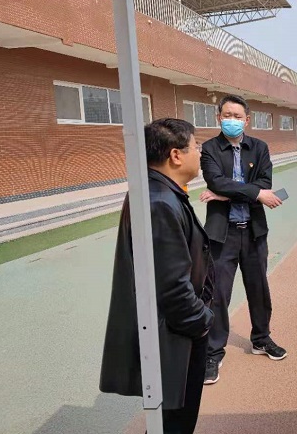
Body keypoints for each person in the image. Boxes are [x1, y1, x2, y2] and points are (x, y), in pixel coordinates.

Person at [100, 118, 215, 434]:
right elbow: (171, 287)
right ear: (176, 155)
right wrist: (203, 321)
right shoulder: (159, 203)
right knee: (174, 423)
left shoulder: (159, 193)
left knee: (169, 422)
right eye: (195, 146)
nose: (200, 153)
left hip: (176, 331)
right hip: (176, 336)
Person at [199, 94, 286, 385]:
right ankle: (213, 352)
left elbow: (265, 183)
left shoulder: (259, 148)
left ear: (247, 120)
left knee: (258, 289)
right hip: (221, 235)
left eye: (237, 116)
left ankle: (261, 339)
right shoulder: (210, 149)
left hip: (253, 232)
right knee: (217, 294)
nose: (232, 120)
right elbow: (216, 181)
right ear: (218, 117)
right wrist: (254, 193)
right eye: (227, 115)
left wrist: (226, 195)